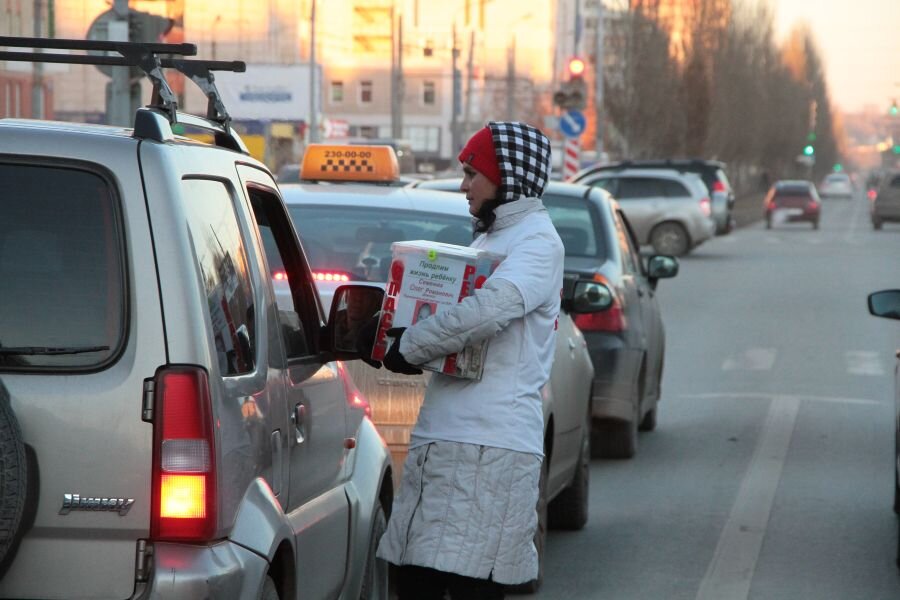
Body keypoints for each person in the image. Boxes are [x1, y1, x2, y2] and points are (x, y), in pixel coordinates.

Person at [374, 122, 564, 599]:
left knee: (468, 589)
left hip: (490, 446)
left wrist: (409, 346)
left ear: (507, 179)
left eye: (472, 174)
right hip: (448, 438)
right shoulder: (491, 239)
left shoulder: (537, 243)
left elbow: (489, 310)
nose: (463, 186)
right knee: (415, 581)